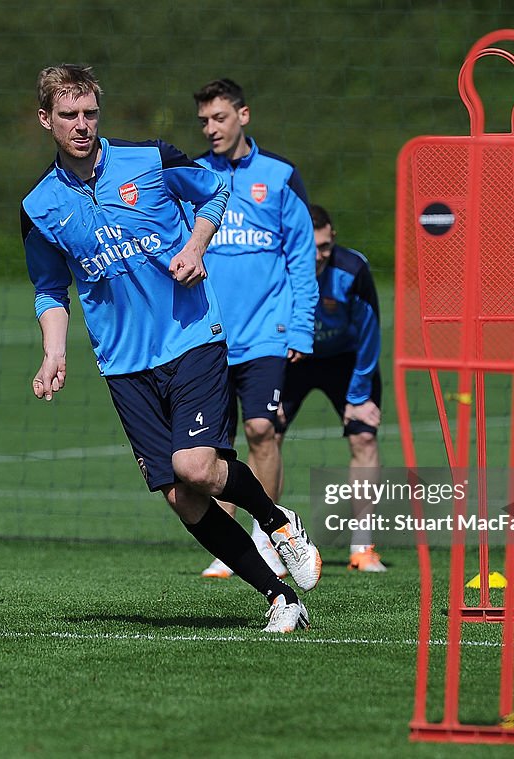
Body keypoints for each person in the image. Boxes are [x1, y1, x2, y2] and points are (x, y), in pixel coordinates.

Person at [22, 64, 321, 633]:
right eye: (69, 115)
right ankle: (280, 597)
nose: (82, 125)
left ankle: (278, 523)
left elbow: (215, 192)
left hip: (190, 337)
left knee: (196, 467)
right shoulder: (39, 206)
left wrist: (196, 245)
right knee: (183, 500)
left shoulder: (149, 159)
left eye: (90, 113)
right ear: (46, 120)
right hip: (123, 364)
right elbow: (49, 289)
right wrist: (54, 352)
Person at [190, 78, 318, 579]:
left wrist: (300, 331)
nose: (210, 128)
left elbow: (301, 258)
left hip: (268, 331)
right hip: (207, 333)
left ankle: (271, 539)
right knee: (211, 447)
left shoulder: (280, 176)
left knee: (262, 430)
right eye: (203, 121)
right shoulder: (195, 174)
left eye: (218, 118)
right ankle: (228, 550)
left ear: (243, 115)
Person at [276, 204, 386, 572]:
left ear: (333, 239)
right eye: (310, 246)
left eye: (324, 247)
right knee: (264, 434)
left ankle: (362, 547)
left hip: (347, 362)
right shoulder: (279, 265)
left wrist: (357, 395)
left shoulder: (353, 269)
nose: (317, 256)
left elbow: (370, 331)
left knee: (364, 438)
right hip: (294, 359)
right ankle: (266, 544)